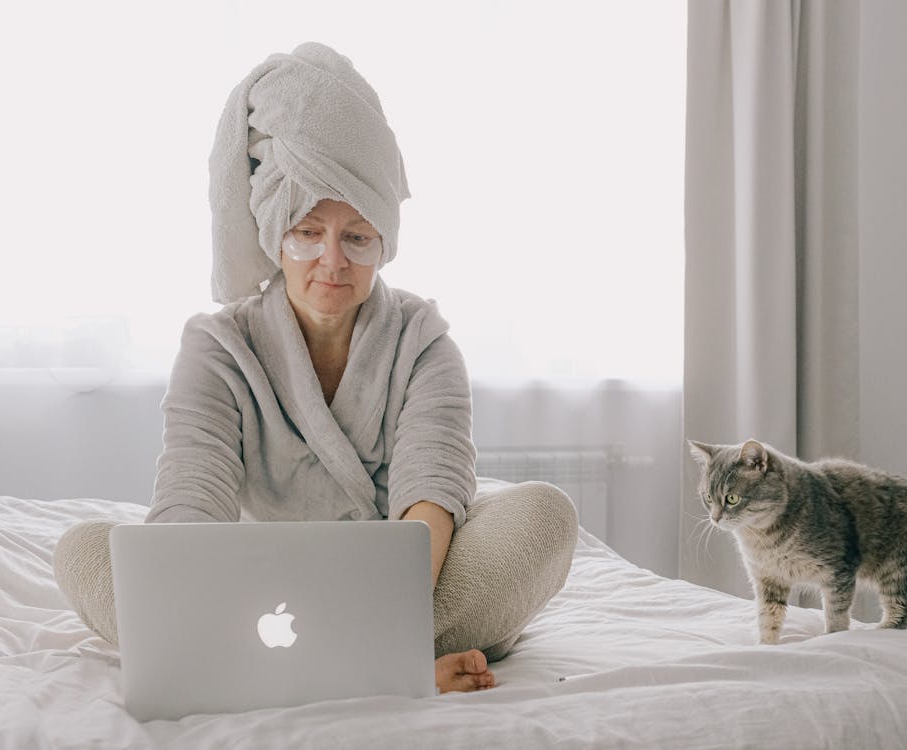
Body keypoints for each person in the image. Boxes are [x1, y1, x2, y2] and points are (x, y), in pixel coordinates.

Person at [53, 42, 578, 695]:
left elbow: (431, 493)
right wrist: (182, 581)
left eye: (356, 237)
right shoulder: (218, 346)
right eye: (308, 231)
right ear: (275, 234)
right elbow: (193, 495)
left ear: (382, 244)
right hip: (260, 593)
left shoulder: (423, 340)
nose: (332, 262)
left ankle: (268, 666)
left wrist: (376, 618)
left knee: (541, 515)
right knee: (82, 551)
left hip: (405, 587)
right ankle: (387, 668)